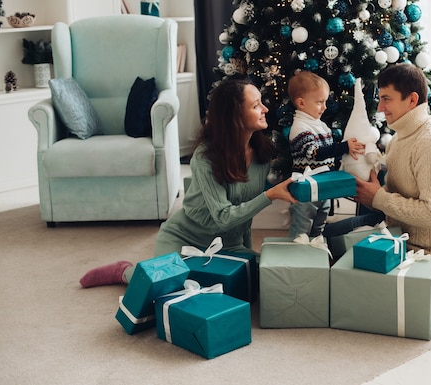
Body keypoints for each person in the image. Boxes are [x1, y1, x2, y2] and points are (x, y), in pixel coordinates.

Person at [79, 79, 298, 288]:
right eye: (255, 105)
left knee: (268, 277)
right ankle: (125, 271)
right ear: (235, 116)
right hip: (184, 239)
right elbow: (223, 217)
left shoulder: (263, 155)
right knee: (169, 285)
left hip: (229, 245)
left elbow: (245, 217)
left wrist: (247, 259)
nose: (265, 109)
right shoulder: (206, 157)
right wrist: (270, 196)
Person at [326, 63, 431, 268]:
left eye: (386, 99)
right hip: (397, 234)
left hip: (428, 253)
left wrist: (378, 198)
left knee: (341, 270)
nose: (381, 108)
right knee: (326, 237)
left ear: (412, 100)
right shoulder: (399, 138)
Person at [287, 70, 365, 238]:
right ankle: (296, 253)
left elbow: (328, 158)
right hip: (306, 188)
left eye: (325, 102)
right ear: (301, 103)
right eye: (319, 102)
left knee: (320, 221)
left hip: (322, 185)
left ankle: (315, 250)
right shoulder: (300, 128)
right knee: (302, 225)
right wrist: (343, 147)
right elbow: (315, 153)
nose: (324, 107)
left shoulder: (320, 125)